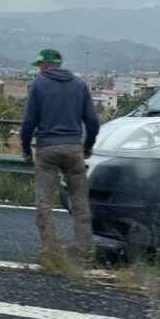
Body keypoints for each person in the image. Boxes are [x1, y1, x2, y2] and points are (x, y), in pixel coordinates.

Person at [20, 48, 100, 263]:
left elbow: (28, 122)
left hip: (47, 149)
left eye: (39, 65)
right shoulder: (79, 84)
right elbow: (92, 121)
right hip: (74, 147)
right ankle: (86, 255)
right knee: (80, 203)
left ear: (44, 65)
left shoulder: (39, 84)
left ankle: (50, 253)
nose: (39, 69)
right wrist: (87, 146)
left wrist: (27, 150)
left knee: (44, 203)